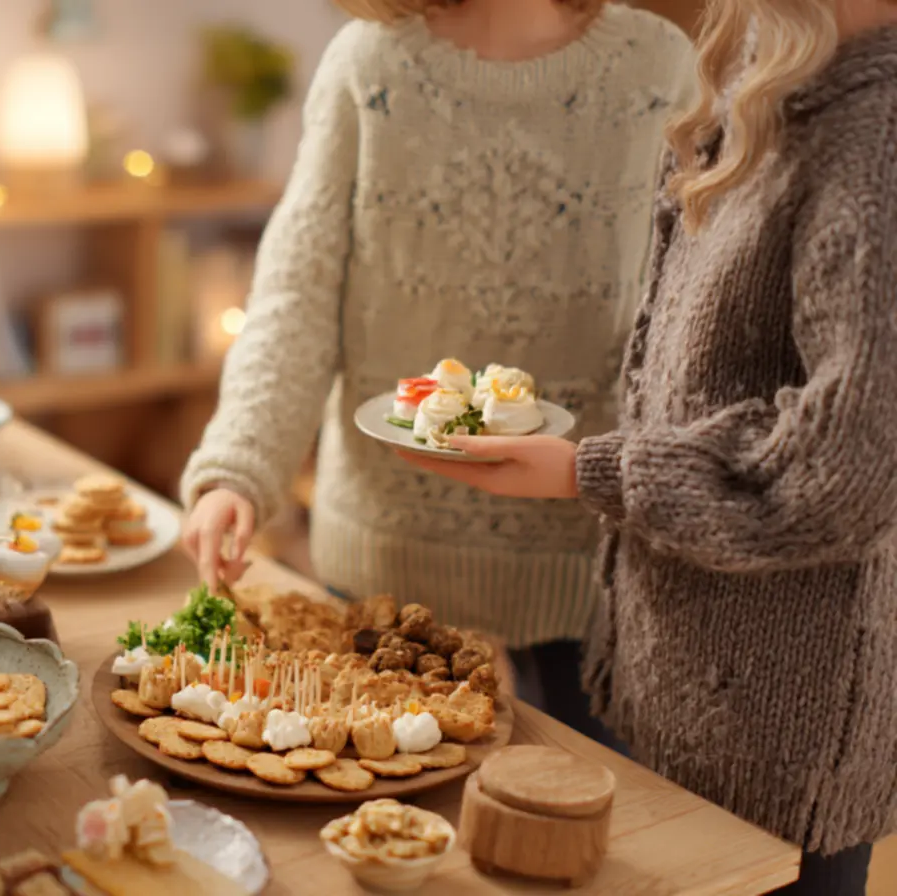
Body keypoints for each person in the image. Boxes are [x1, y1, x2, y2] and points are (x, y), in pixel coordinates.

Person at [396, 2, 897, 892]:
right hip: (684, 691)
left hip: (780, 742)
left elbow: (842, 474)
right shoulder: (784, 70)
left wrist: (590, 468)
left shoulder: (875, 142)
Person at [178, 0, 695, 746]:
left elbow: (681, 314)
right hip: (384, 551)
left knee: (583, 830)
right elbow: (296, 296)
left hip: (584, 555)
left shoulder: (659, 68)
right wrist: (239, 468)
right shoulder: (368, 65)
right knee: (365, 814)